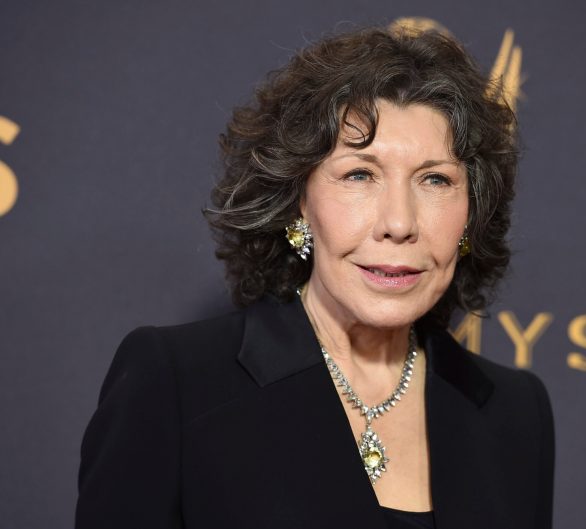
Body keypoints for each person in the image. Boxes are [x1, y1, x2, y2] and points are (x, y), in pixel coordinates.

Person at [75, 25, 554, 529]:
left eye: (435, 180)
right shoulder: (176, 383)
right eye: (359, 175)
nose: (399, 223)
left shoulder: (516, 412)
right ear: (299, 202)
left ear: (471, 216)